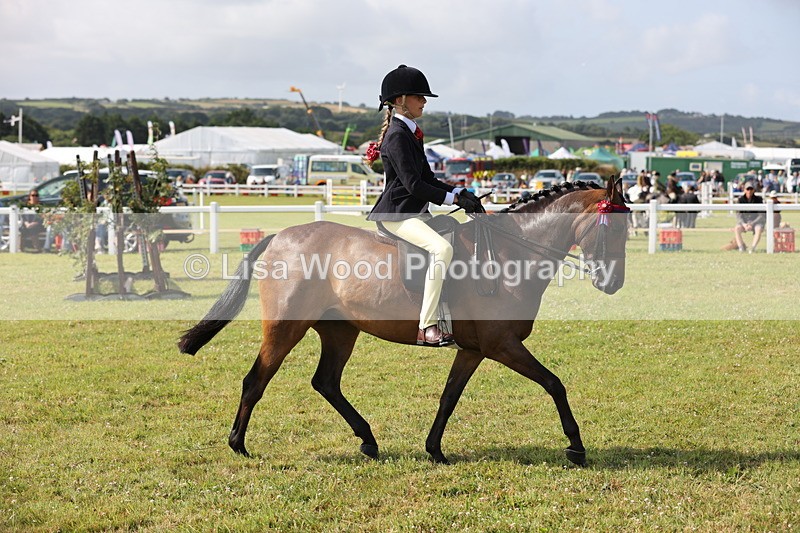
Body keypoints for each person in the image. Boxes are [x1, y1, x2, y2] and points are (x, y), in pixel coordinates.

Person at [365, 64, 482, 347]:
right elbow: (413, 186)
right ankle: (427, 326)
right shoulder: (396, 136)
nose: (424, 101)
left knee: (457, 234)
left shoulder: (411, 132)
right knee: (442, 249)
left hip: (414, 211)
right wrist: (453, 199)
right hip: (398, 214)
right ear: (401, 100)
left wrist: (459, 191)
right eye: (419, 97)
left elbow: (427, 178)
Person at [733, 182, 765, 253]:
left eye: (751, 189)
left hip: (756, 222)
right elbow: (738, 215)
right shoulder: (740, 200)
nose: (749, 191)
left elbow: (761, 215)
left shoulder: (759, 200)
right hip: (744, 222)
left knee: (758, 229)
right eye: (747, 189)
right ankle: (741, 247)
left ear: (753, 190)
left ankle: (753, 248)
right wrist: (744, 224)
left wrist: (752, 223)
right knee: (737, 228)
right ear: (744, 190)